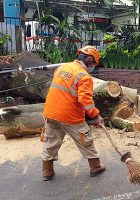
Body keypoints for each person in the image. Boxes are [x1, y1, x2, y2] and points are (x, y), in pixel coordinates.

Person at [41, 46, 105, 181]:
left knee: (50, 142)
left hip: (51, 112)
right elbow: (85, 100)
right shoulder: (84, 76)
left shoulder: (62, 68)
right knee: (86, 140)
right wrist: (96, 115)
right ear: (88, 59)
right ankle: (96, 167)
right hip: (70, 115)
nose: (93, 66)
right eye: (93, 63)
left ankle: (47, 171)